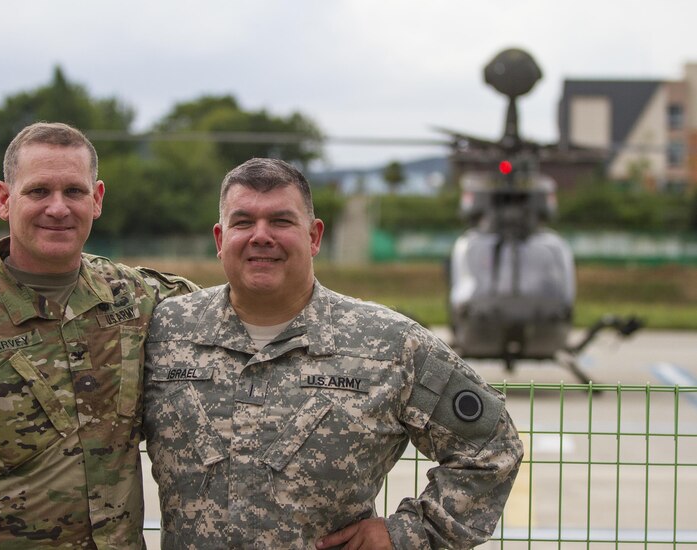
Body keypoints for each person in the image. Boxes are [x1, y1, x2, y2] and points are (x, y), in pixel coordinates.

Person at [143, 158, 524, 549]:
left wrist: (405, 535)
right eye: (243, 222)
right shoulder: (164, 332)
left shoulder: (387, 344)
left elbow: (492, 448)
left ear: (314, 236)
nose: (261, 236)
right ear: (221, 239)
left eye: (281, 221)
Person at [0, 122, 195, 548]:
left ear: (97, 199)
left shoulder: (139, 297)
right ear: (4, 200)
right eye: (39, 191)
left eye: (74, 192)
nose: (58, 208)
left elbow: (248, 310)